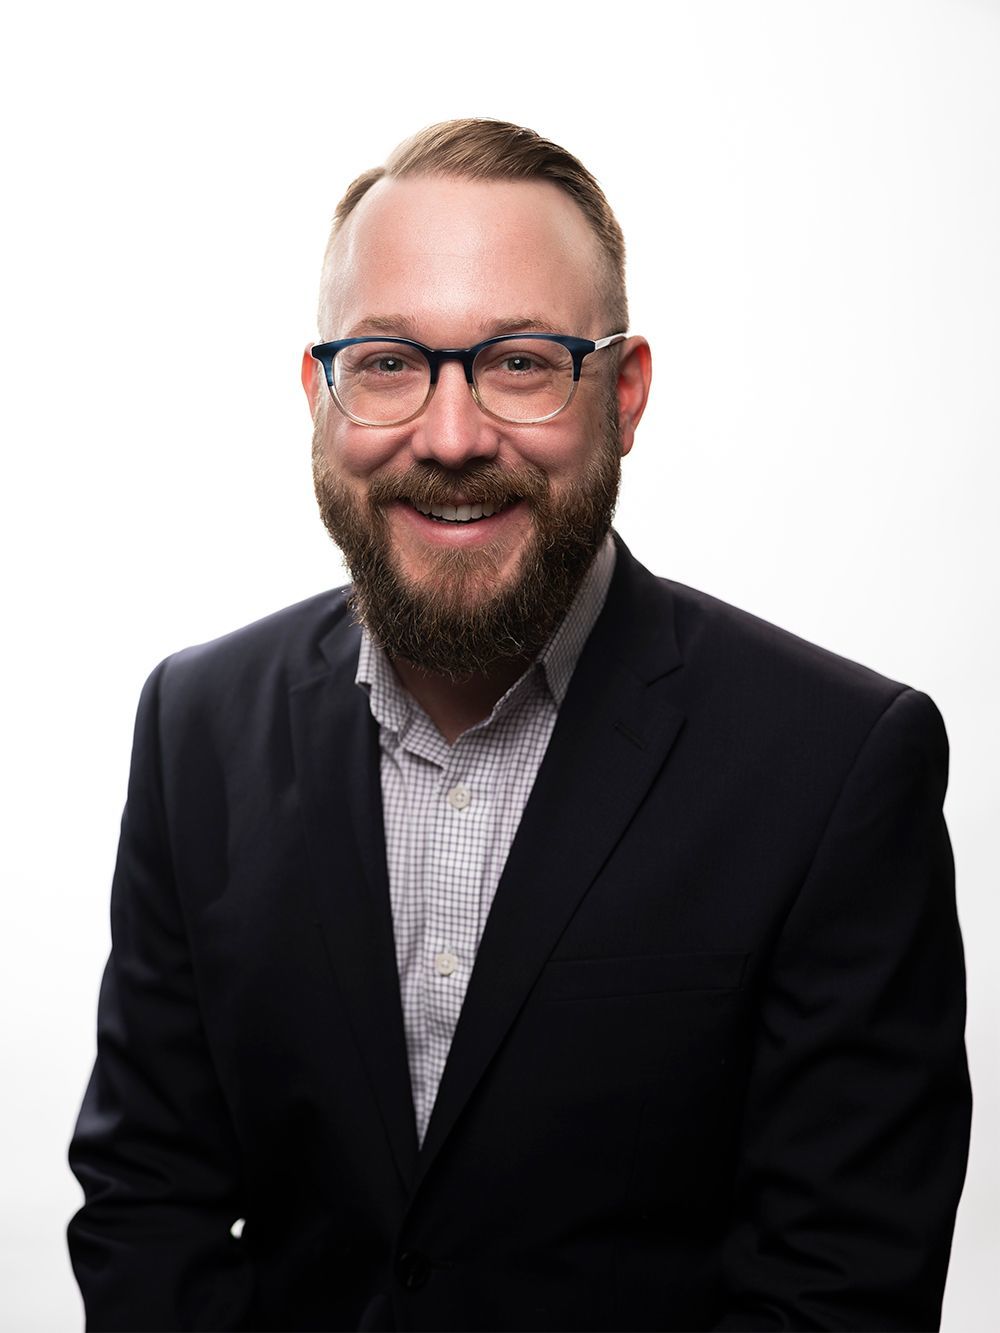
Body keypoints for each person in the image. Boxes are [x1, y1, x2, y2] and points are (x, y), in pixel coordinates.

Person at [68, 119, 971, 1332]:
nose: (448, 437)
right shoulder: (195, 725)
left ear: (624, 392)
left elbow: (838, 1291)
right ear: (319, 391)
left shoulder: (837, 769)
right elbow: (148, 1200)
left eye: (521, 361)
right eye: (387, 360)